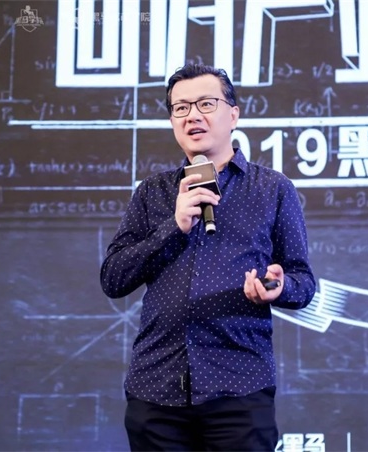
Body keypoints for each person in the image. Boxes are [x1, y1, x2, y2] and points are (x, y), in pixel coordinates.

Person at [100, 63, 316, 451]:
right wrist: (174, 226)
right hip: (156, 388)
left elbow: (303, 281)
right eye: (181, 108)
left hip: (239, 386)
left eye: (205, 104)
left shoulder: (272, 189)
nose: (193, 116)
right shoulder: (152, 193)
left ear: (233, 115)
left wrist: (278, 287)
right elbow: (113, 278)